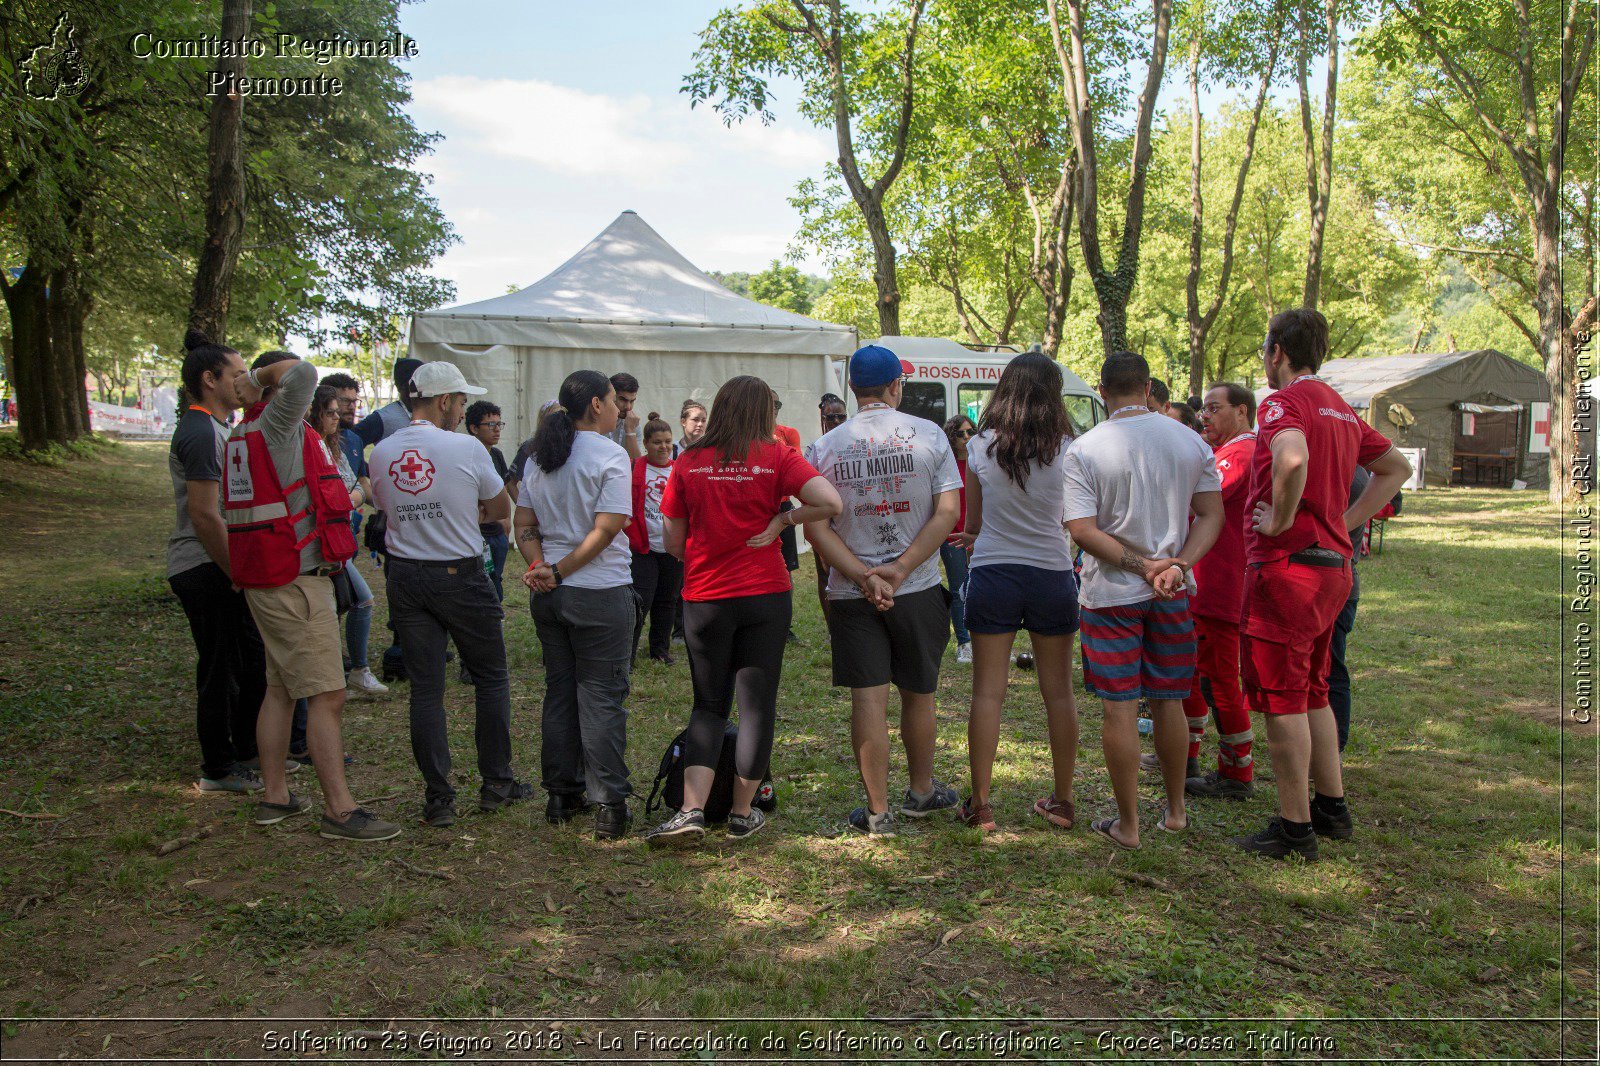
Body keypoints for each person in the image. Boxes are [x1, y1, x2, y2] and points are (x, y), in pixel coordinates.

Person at [1235, 308, 1411, 860]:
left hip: (1289, 572)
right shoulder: (1339, 407)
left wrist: (1283, 521)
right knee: (1314, 688)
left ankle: (1294, 826)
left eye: (1266, 350)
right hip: (1333, 569)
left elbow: (1291, 458)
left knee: (1284, 699)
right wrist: (1348, 522)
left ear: (1277, 352)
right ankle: (1331, 807)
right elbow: (1397, 468)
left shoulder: (1283, 404)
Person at [644, 376, 842, 845]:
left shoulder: (688, 461)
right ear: (762, 412)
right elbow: (830, 502)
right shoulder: (777, 455)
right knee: (756, 706)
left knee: (708, 704)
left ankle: (691, 809)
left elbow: (672, 541)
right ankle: (741, 812)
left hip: (707, 596)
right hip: (765, 593)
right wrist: (782, 519)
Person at [228, 349, 398, 841]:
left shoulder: (243, 434)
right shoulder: (276, 422)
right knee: (328, 693)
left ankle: (276, 796)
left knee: (281, 688)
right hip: (294, 579)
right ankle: (340, 811)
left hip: (269, 576)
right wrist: (257, 380)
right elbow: (301, 372)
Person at [1065, 351, 1223, 851]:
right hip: (1172, 593)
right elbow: (1212, 515)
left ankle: (1128, 824)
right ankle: (1175, 811)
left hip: (1111, 595)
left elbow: (1082, 530)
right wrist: (1176, 565)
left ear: (1103, 390)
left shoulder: (1086, 449)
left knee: (1119, 707)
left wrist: (1143, 567)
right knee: (1170, 699)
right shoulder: (1190, 440)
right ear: (1150, 386)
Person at [805, 345, 963, 836]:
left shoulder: (825, 447)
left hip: (853, 593)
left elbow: (816, 528)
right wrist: (900, 569)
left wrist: (863, 575)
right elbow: (947, 513)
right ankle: (920, 791)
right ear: (897, 386)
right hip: (915, 587)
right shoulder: (931, 435)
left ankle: (877, 811)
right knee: (920, 693)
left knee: (868, 700)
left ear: (853, 389)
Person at [370, 362, 528, 829]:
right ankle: (497, 783)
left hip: (405, 575)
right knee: (491, 679)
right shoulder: (466, 447)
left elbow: (384, 506)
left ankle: (439, 797)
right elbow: (500, 509)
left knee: (426, 691)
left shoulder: (382, 452)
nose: (461, 410)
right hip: (459, 573)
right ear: (444, 401)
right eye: (460, 401)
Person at [956, 352, 1081, 833]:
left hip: (994, 571)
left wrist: (972, 538)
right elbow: (1074, 517)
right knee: (1059, 694)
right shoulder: (1071, 448)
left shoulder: (981, 445)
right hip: (1051, 572)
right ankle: (1063, 801)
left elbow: (973, 524)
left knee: (988, 693)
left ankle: (982, 804)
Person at [514, 372, 638, 839]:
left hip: (550, 594)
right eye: (613, 401)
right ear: (595, 405)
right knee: (602, 697)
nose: (619, 408)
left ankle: (561, 794)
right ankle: (609, 803)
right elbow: (607, 529)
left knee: (561, 692)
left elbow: (523, 520)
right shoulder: (610, 455)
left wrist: (540, 566)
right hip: (598, 591)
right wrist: (559, 569)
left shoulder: (540, 456)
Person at [167, 330, 268, 794]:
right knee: (220, 667)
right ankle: (218, 768)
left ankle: (246, 751)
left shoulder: (220, 427)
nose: (245, 382)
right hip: (207, 568)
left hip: (221, 566)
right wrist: (236, 573)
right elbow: (205, 515)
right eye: (238, 374)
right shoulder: (199, 430)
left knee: (247, 662)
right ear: (211, 380)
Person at [1179, 382, 1257, 799]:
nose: (1204, 416)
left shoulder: (1241, 452)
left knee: (1221, 682)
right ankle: (1187, 755)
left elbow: (1199, 500)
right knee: (1193, 675)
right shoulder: (1227, 452)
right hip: (1205, 585)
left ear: (1242, 412)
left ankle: (1236, 773)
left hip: (1222, 589)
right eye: (1203, 409)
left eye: (1214, 408)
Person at [308, 386, 387, 699]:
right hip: (322, 543)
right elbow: (338, 496)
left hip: (340, 542)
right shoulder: (311, 445)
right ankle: (355, 670)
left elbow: (360, 487)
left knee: (341, 604)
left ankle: (343, 671)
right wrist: (352, 497)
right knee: (362, 601)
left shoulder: (340, 444)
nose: (338, 417)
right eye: (331, 411)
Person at [628, 413, 683, 665]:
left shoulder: (680, 470)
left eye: (667, 442)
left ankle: (660, 650)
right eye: (657, 442)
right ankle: (627, 651)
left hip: (671, 548)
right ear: (646, 444)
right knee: (642, 600)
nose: (663, 447)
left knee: (667, 600)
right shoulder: (635, 468)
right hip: (643, 547)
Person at [805, 394, 849, 625]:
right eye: (830, 417)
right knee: (824, 572)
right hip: (822, 518)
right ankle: (832, 625)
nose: (836, 421)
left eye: (841, 416)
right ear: (821, 418)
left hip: (849, 518)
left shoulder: (854, 442)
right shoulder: (815, 449)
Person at [466, 401, 512, 602]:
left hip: (497, 533)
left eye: (499, 424)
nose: (496, 430)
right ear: (473, 428)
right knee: (478, 585)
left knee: (496, 581)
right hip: (475, 534)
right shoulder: (465, 456)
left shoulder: (496, 455)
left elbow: (504, 485)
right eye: (490, 425)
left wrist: (507, 519)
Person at [941, 415, 977, 664]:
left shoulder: (980, 463)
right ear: (951, 438)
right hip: (952, 535)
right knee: (958, 588)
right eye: (961, 433)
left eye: (971, 431)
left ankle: (984, 639)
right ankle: (964, 643)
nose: (967, 437)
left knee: (981, 587)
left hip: (978, 534)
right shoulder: (947, 465)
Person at [352, 357, 422, 449]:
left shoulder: (432, 411)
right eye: (415, 384)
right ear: (400, 387)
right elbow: (350, 442)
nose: (421, 388)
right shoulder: (382, 418)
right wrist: (364, 464)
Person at [606, 373, 643, 460]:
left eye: (632, 401)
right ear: (610, 397)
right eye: (623, 400)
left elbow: (635, 463)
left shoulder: (633, 424)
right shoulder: (595, 421)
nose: (628, 407)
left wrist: (630, 431)